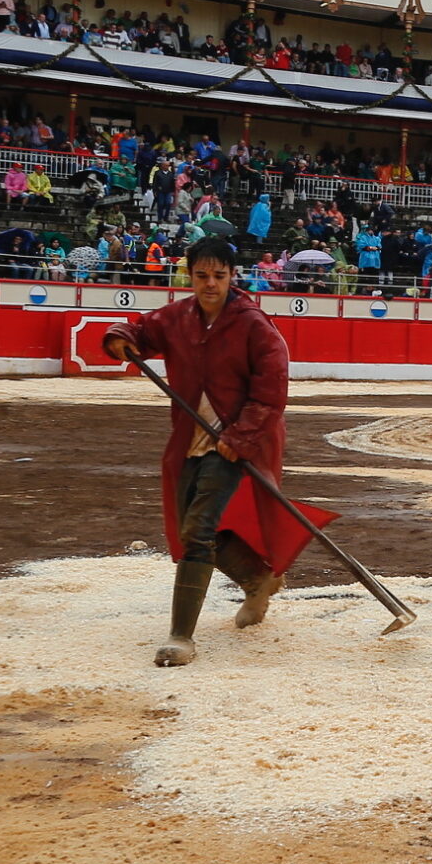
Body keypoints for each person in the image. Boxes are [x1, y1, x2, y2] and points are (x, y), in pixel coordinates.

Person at [102, 237, 291, 667]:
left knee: (199, 530)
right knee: (191, 529)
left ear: (232, 277)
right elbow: (141, 330)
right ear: (189, 275)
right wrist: (120, 337)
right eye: (202, 276)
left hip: (236, 442)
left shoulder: (254, 325)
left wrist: (239, 437)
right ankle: (257, 577)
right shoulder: (177, 318)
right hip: (191, 438)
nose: (210, 284)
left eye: (219, 276)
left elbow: (271, 391)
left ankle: (180, 637)